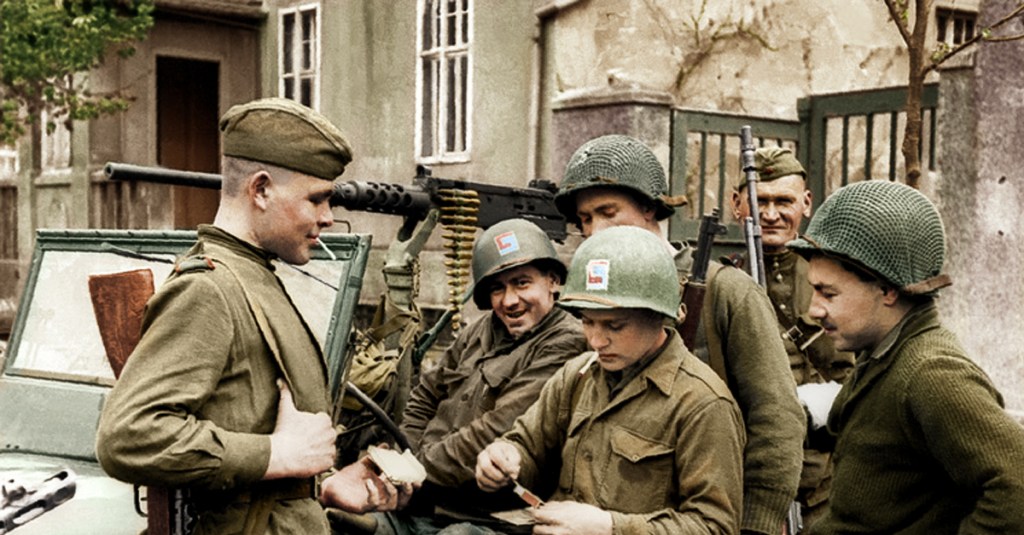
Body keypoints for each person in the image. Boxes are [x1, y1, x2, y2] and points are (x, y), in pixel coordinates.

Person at [96, 98, 408, 535]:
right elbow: (128, 436)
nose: (328, 218)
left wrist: (323, 485)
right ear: (260, 190)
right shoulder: (209, 290)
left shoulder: (255, 276)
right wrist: (278, 455)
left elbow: (251, 426)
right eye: (316, 199)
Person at [553, 134, 803, 534]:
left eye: (608, 212)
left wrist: (755, 525)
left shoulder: (727, 291)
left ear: (650, 208)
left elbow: (776, 419)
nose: (596, 230)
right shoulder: (592, 288)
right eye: (585, 219)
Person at [786, 179, 1024, 533]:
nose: (814, 309)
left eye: (828, 293)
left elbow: (1016, 486)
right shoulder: (882, 355)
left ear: (887, 290)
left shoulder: (932, 374)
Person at [475, 225, 745, 534]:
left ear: (657, 316)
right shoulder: (578, 375)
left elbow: (715, 526)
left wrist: (610, 527)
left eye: (614, 326)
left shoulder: (703, 404)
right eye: (587, 322)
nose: (595, 340)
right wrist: (506, 457)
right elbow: (527, 443)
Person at [364, 218, 587, 534]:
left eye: (522, 283)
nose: (509, 300)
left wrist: (415, 469)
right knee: (345, 521)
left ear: (552, 281)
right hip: (425, 501)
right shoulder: (480, 331)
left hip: (489, 517)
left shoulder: (566, 342)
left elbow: (496, 430)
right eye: (497, 288)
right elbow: (425, 395)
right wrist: (401, 462)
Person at [729, 147, 854, 529]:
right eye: (759, 201)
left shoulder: (833, 280)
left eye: (783, 201)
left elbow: (857, 374)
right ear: (736, 205)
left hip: (825, 477)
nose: (770, 215)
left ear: (806, 203)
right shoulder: (724, 284)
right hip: (751, 475)